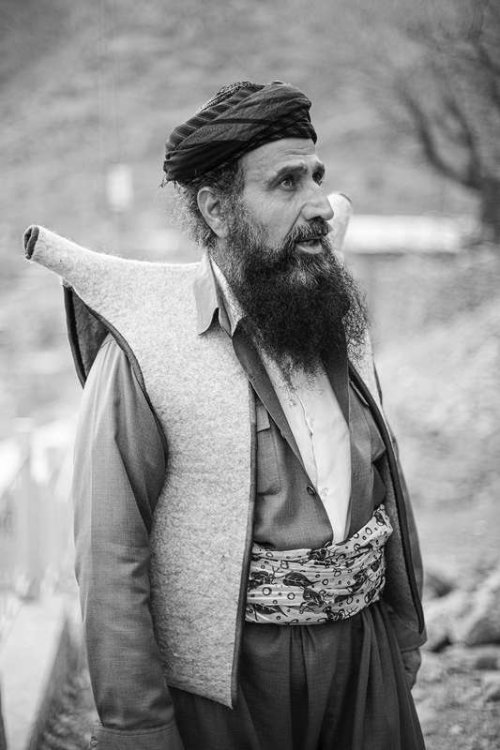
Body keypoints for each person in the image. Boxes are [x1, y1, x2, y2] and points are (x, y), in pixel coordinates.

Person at [24, 80, 426, 750]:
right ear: (216, 208)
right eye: (286, 183)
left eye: (317, 178)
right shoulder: (145, 352)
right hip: (232, 688)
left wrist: (402, 640)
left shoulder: (330, 315)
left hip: (365, 662)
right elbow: (110, 555)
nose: (318, 204)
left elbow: (384, 491)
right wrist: (140, 726)